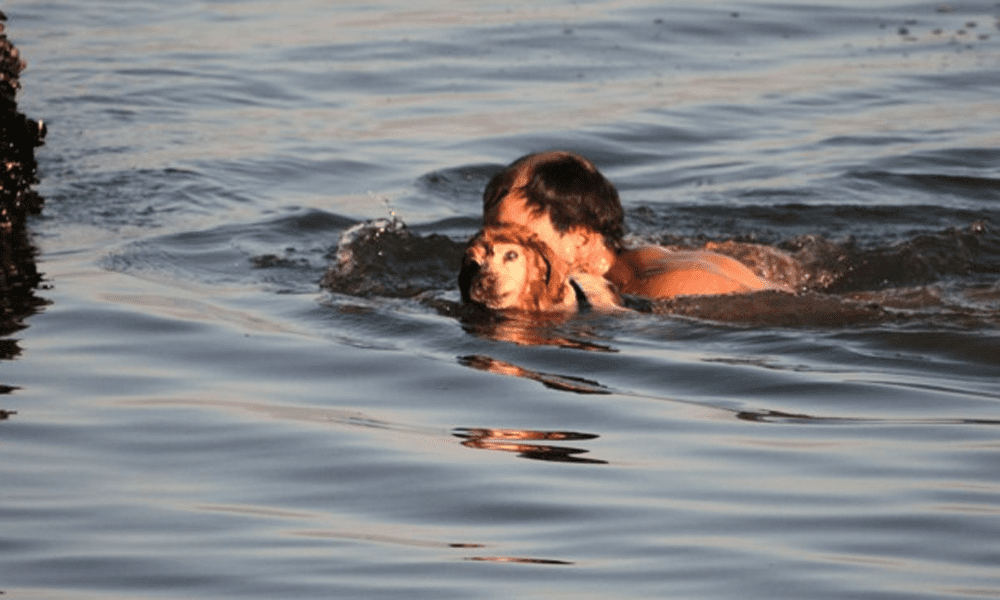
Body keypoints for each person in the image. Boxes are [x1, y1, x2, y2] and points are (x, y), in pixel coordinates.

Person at [478, 150, 782, 300]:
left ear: (581, 239)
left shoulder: (666, 290)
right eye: (490, 240)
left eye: (519, 238)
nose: (494, 256)